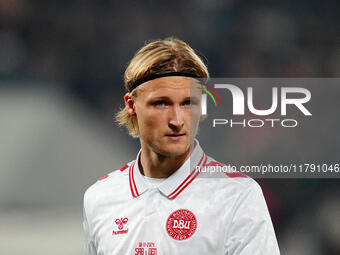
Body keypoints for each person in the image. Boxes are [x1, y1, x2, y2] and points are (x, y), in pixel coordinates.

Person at [83, 38, 280, 254]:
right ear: (131, 105)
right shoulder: (100, 197)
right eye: (161, 103)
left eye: (188, 103)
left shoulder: (238, 196)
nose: (177, 120)